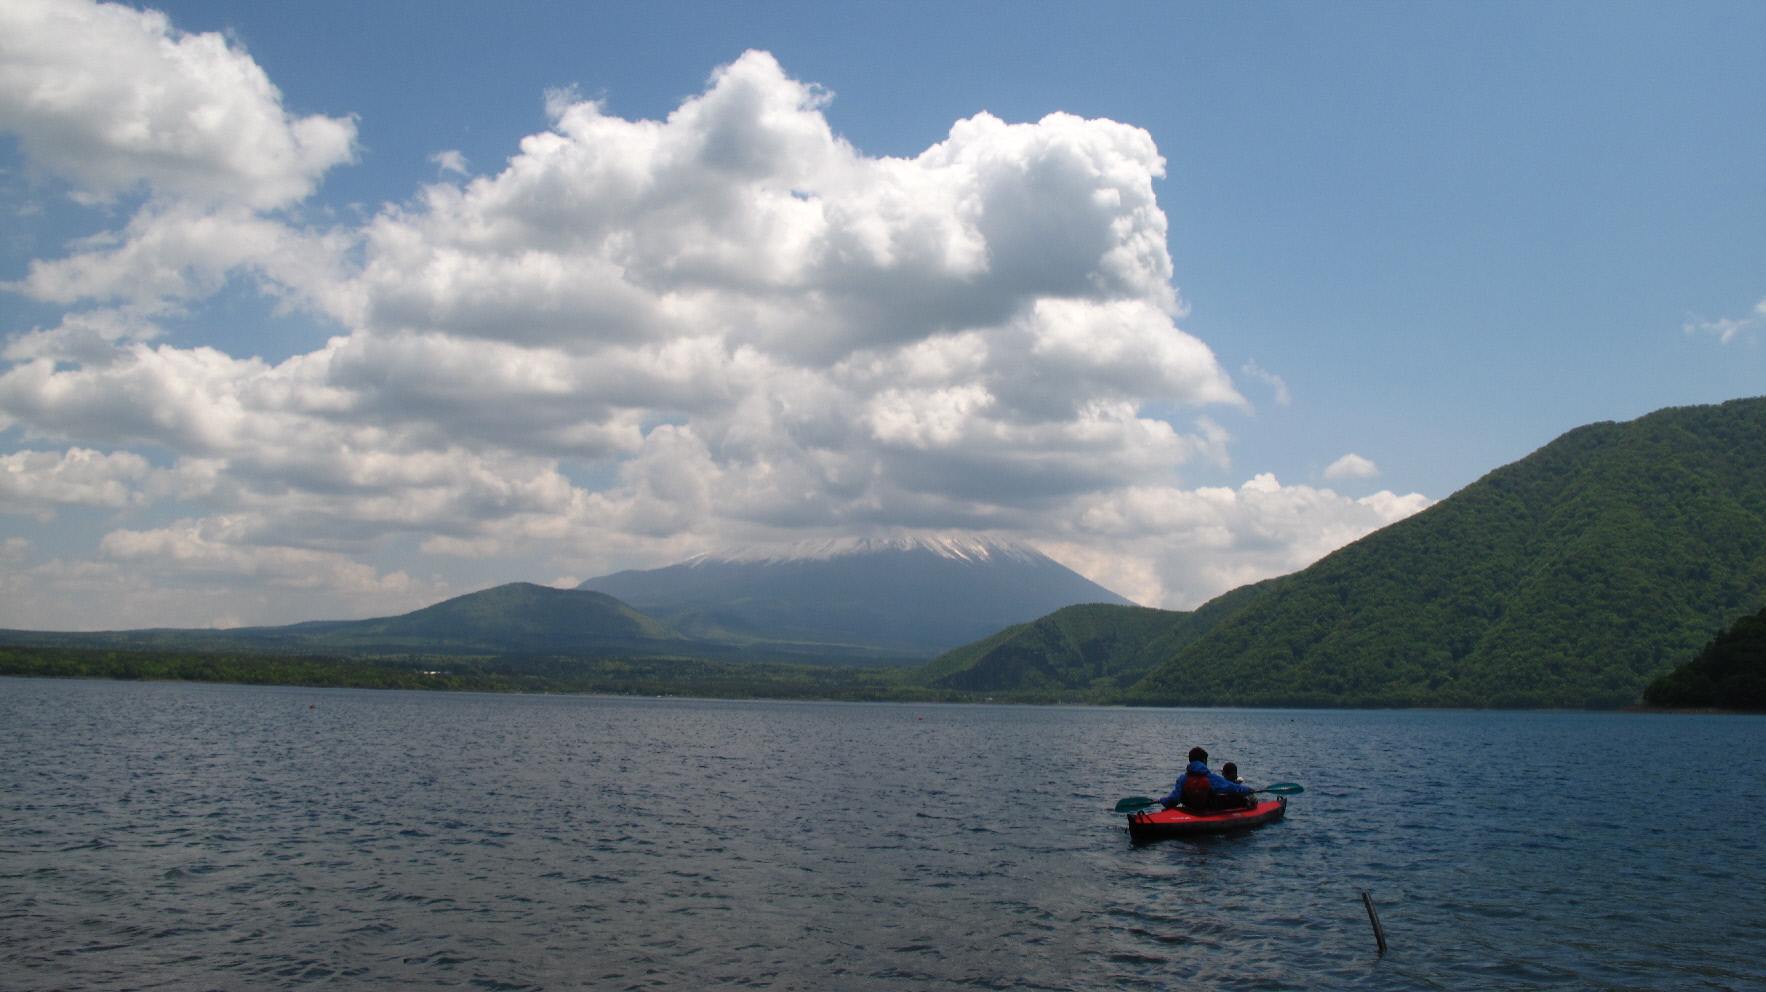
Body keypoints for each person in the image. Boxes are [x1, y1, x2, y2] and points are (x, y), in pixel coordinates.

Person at [1160, 746, 1255, 812]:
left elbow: (1174, 799)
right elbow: (1231, 787)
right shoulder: (1211, 778)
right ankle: (1246, 802)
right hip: (1208, 810)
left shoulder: (1182, 779)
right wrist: (1248, 790)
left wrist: (1162, 800)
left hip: (1189, 809)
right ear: (1204, 761)